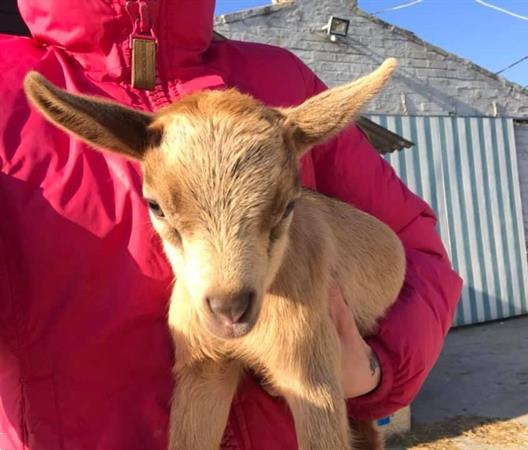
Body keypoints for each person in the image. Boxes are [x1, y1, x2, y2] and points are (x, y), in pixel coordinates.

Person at [0, 0, 463, 448]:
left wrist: (376, 369)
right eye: (163, 212)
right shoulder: (7, 87)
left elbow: (417, 248)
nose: (227, 291)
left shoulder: (283, 77)